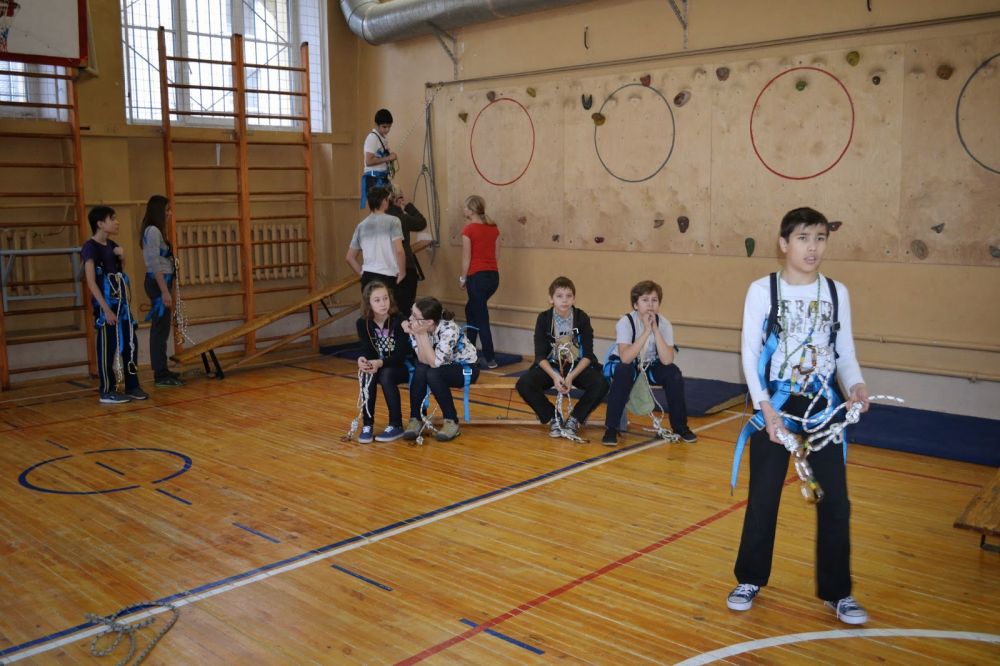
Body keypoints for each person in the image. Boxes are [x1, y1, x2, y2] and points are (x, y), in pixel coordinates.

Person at [726, 207, 870, 625]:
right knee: (764, 495)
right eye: (804, 238)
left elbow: (845, 352)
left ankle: (838, 592)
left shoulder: (837, 292)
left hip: (823, 406)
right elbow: (750, 354)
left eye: (820, 238)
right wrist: (765, 408)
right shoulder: (762, 290)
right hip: (775, 403)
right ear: (784, 243)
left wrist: (856, 385)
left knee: (835, 500)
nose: (813, 248)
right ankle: (750, 578)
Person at [602, 280, 697, 446]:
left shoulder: (664, 324)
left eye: (654, 300)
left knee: (673, 374)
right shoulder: (626, 322)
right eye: (645, 300)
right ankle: (611, 428)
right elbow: (625, 358)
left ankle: (680, 427)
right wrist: (646, 331)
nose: (650, 304)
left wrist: (655, 330)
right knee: (623, 371)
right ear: (635, 304)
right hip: (628, 363)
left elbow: (667, 360)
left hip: (649, 365)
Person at [516, 276, 609, 439]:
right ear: (551, 299)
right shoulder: (544, 319)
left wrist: (571, 376)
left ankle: (575, 419)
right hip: (552, 366)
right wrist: (554, 376)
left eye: (568, 296)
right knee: (524, 383)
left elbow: (588, 355)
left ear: (574, 299)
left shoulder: (581, 318)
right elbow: (540, 356)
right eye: (559, 296)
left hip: (577, 366)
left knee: (601, 383)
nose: (564, 300)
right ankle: (553, 418)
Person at [82, 206, 147, 404]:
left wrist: (122, 257)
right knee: (107, 348)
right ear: (101, 224)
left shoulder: (113, 245)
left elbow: (119, 273)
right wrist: (106, 309)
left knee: (130, 345)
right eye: (112, 218)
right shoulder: (90, 248)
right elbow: (91, 282)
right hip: (106, 308)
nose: (117, 222)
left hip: (122, 306)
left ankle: (132, 385)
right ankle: (107, 390)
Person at [402, 296, 479, 442]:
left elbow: (435, 364)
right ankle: (416, 418)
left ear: (429, 322)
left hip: (466, 368)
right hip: (441, 366)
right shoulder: (419, 326)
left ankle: (451, 421)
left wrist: (421, 334)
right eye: (411, 313)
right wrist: (418, 334)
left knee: (433, 374)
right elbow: (422, 359)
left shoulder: (449, 329)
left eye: (415, 316)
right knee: (420, 369)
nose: (410, 319)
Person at [354, 281, 411, 444]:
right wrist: (362, 359)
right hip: (379, 364)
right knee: (366, 372)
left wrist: (379, 363)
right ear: (369, 303)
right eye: (377, 300)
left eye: (385, 298)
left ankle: (396, 424)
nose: (383, 303)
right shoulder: (362, 323)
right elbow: (366, 349)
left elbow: (400, 355)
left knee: (386, 374)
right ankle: (367, 425)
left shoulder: (400, 320)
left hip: (401, 366)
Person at [140, 195, 183, 387]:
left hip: (162, 283)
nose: (169, 214)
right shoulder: (153, 231)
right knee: (159, 330)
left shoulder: (156, 231)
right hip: (159, 283)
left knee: (163, 328)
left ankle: (163, 369)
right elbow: (154, 264)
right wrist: (164, 291)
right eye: (167, 210)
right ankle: (160, 373)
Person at [459, 195, 500, 368]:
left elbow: (466, 258)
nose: (463, 210)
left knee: (481, 316)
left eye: (465, 207)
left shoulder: (468, 230)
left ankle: (490, 358)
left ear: (471, 210)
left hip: (477, 278)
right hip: (493, 277)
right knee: (471, 310)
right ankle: (470, 351)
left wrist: (463, 278)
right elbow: (496, 255)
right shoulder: (493, 229)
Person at [346, 185, 405, 293]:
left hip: (368, 276)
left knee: (370, 304)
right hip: (387, 276)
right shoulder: (394, 221)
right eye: (387, 199)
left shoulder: (361, 226)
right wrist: (402, 273)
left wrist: (362, 274)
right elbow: (399, 251)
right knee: (388, 303)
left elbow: (350, 257)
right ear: (383, 201)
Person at [386, 185, 428, 316]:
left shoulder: (381, 219)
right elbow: (421, 223)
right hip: (405, 267)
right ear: (398, 199)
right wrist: (408, 205)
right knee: (405, 307)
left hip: (386, 268)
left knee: (389, 308)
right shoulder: (401, 218)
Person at [360, 108, 396, 209]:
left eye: (389, 127)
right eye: (384, 127)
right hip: (374, 179)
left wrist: (388, 157)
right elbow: (369, 161)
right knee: (380, 210)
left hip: (382, 178)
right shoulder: (372, 138)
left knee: (389, 208)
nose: (387, 130)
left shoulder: (382, 137)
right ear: (376, 124)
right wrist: (388, 158)